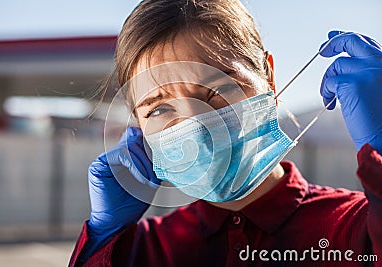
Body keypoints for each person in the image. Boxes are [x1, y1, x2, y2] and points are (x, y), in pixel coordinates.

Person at [69, 0, 382, 266]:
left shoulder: (354, 228)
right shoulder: (144, 252)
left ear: (269, 79)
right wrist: (101, 242)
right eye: (160, 109)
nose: (197, 124)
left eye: (218, 89)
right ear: (138, 127)